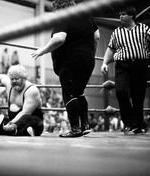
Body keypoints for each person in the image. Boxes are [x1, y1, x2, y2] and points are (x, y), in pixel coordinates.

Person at [31, 0, 99, 137]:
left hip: (70, 63)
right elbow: (96, 36)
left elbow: (59, 38)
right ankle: (85, 125)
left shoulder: (64, 16)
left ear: (58, 7)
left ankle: (75, 129)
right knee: (79, 92)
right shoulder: (85, 15)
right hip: (88, 61)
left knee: (69, 94)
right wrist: (91, 54)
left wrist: (42, 50)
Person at [101, 7, 150, 135]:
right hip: (122, 65)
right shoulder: (117, 32)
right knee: (121, 91)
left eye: (123, 14)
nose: (120, 16)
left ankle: (138, 125)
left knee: (138, 96)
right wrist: (104, 63)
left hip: (140, 65)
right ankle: (129, 122)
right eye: (120, 14)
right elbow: (110, 49)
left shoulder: (143, 29)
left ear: (132, 16)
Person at [0, 65, 44, 136]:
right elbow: (3, 77)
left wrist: (11, 123)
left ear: (24, 78)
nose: (14, 81)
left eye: (17, 79)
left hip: (34, 123)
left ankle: (6, 130)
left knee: (26, 118)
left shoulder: (32, 90)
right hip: (14, 121)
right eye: (12, 79)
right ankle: (14, 130)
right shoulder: (9, 84)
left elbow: (25, 112)